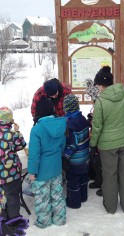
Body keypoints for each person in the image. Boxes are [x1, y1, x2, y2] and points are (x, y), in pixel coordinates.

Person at [90, 66, 124, 214]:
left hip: (107, 145)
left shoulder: (101, 101)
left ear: (100, 85)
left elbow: (97, 126)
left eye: (97, 85)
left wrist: (93, 144)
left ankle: (110, 207)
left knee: (109, 175)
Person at [28, 96, 66, 228]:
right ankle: (59, 219)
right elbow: (62, 146)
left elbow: (34, 154)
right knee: (57, 195)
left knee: (42, 198)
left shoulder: (37, 129)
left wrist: (32, 172)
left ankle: (44, 221)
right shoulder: (61, 124)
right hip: (56, 167)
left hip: (42, 171)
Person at [0, 106, 29, 235]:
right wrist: (17, 131)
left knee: (2, 195)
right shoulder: (13, 135)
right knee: (12, 196)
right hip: (11, 173)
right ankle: (13, 221)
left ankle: (3, 215)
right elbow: (22, 145)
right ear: (10, 120)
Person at [63, 94, 90, 208]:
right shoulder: (82, 118)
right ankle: (83, 197)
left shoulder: (70, 124)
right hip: (85, 156)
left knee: (73, 181)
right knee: (83, 178)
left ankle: (74, 202)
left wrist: (65, 157)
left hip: (75, 160)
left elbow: (72, 145)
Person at [85, 79, 102, 196]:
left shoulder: (101, 102)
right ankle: (97, 179)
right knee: (95, 159)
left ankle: (103, 183)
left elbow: (100, 123)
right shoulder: (97, 102)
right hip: (97, 136)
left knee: (101, 161)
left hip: (102, 138)